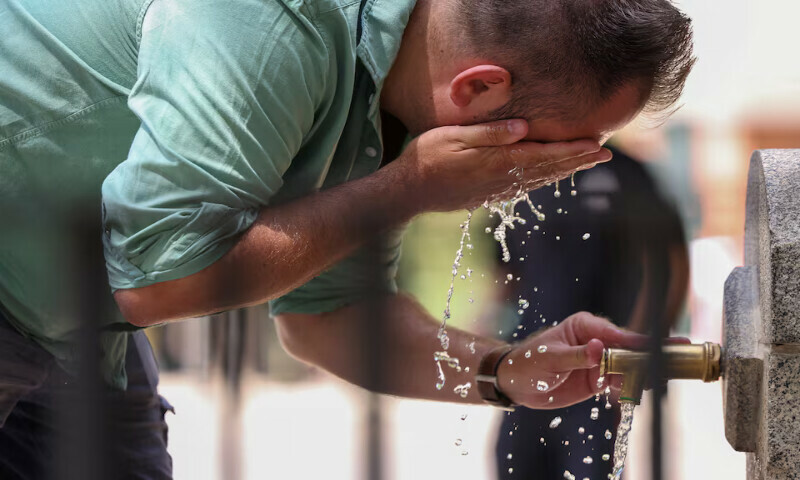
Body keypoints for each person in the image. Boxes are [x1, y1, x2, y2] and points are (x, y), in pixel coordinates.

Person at [0, 0, 695, 477]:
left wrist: (505, 369)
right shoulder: (274, 25)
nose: (545, 179)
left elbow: (326, 316)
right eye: (555, 151)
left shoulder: (391, 98)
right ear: (480, 89)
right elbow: (156, 280)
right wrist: (410, 187)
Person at [490, 147, 690, 479]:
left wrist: (634, 347)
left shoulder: (626, 172)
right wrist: (487, 343)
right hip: (531, 359)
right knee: (514, 465)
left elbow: (670, 264)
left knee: (590, 468)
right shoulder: (524, 175)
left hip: (597, 367)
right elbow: (505, 271)